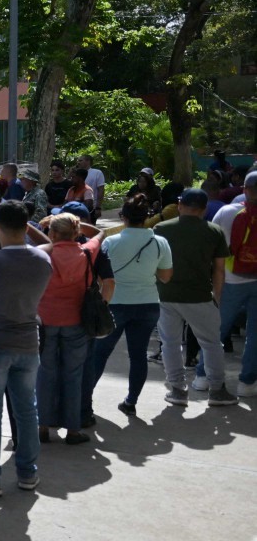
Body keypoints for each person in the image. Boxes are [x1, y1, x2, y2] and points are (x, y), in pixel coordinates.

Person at [0, 202, 53, 496]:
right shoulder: (42, 260)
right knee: (27, 410)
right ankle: (28, 473)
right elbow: (49, 244)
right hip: (28, 342)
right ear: (26, 226)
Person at [86, 194, 173, 417]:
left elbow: (99, 278)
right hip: (148, 304)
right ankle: (131, 401)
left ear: (122, 217)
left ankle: (85, 400)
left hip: (115, 304)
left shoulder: (111, 242)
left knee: (100, 354)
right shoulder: (160, 242)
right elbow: (165, 277)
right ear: (146, 217)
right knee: (138, 354)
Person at [36, 214, 113, 444]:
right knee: (73, 375)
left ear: (51, 234)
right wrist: (78, 226)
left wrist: (47, 222)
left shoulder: (43, 253)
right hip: (77, 322)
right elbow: (100, 233)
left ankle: (43, 426)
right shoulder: (87, 251)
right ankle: (73, 430)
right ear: (76, 233)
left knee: (45, 374)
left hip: (46, 321)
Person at [158, 189, 237, 407]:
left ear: (180, 204)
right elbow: (219, 270)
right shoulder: (214, 231)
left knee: (170, 344)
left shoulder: (161, 229)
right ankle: (217, 391)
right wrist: (217, 296)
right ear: (203, 209)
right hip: (200, 296)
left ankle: (177, 390)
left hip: (167, 294)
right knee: (211, 344)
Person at [209, 171, 257, 397]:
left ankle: (204, 377)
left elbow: (212, 246)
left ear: (244, 189)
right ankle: (247, 383)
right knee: (255, 336)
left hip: (230, 280)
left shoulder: (227, 212)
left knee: (217, 330)